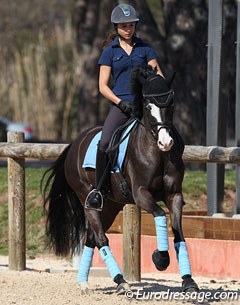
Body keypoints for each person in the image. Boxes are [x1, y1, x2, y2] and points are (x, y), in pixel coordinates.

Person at [85, 3, 164, 210]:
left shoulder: (145, 49)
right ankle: (99, 191)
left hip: (145, 106)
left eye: (131, 25)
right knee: (103, 143)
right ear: (116, 28)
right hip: (122, 106)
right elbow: (102, 86)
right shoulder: (109, 52)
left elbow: (159, 77)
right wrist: (120, 102)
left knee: (167, 135)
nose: (128, 29)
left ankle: (172, 183)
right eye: (124, 26)